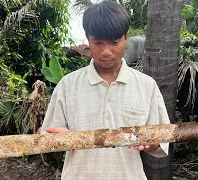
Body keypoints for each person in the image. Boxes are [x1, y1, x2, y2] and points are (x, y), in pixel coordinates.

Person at [41, 1, 170, 179]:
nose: (106, 51)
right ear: (88, 38)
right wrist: (60, 140)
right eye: (98, 42)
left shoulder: (146, 86)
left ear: (126, 37)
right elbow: (46, 138)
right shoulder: (67, 85)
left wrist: (152, 143)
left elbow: (161, 140)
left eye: (114, 42)